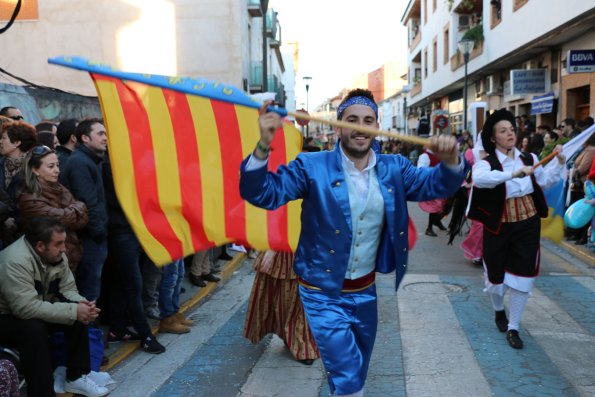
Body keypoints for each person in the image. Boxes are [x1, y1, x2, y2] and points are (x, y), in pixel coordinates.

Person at [240, 88, 467, 396]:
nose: (361, 127)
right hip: (322, 292)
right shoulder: (311, 166)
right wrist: (263, 146)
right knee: (347, 375)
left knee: (357, 370)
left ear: (376, 127)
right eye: (353, 120)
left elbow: (433, 186)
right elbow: (262, 193)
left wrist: (451, 161)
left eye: (368, 120)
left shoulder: (394, 168)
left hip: (365, 290)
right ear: (338, 127)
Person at [467, 109, 564, 350]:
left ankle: (514, 327)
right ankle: (499, 310)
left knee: (522, 276)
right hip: (498, 225)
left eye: (511, 129)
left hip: (528, 223)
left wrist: (559, 162)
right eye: (503, 131)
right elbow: (481, 180)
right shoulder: (486, 163)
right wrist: (512, 173)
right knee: (495, 279)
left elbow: (545, 180)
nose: (509, 134)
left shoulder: (529, 158)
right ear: (493, 138)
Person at [0, 217, 109, 397]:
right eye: (59, 244)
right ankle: (42, 392)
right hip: (6, 316)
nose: (64, 249)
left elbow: (68, 289)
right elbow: (25, 309)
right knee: (34, 329)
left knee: (77, 313)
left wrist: (83, 305)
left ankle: (76, 377)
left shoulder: (54, 254)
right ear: (41, 246)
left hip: (32, 308)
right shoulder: (14, 261)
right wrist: (73, 311)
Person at [18, 145, 88, 272]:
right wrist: (78, 208)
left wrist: (73, 213)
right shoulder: (29, 198)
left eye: (57, 165)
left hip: (71, 257)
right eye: (51, 166)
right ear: (35, 170)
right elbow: (58, 222)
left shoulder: (60, 188)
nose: (57, 170)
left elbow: (82, 220)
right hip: (47, 265)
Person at [60, 118, 108, 302]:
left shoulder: (90, 160)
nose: (105, 138)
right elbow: (89, 202)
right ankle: (87, 330)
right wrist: (99, 232)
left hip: (93, 236)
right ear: (85, 138)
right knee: (88, 290)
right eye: (100, 133)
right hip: (89, 237)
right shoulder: (80, 163)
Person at [243, 251, 320, 365]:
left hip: (306, 247)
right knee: (284, 295)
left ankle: (300, 342)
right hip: (284, 248)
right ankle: (293, 338)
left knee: (300, 298)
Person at [417, 147, 448, 236]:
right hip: (432, 184)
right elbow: (421, 169)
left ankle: (437, 221)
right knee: (436, 205)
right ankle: (429, 228)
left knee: (443, 205)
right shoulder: (425, 156)